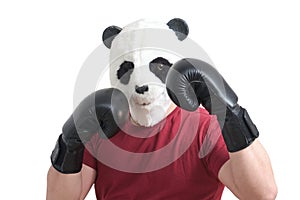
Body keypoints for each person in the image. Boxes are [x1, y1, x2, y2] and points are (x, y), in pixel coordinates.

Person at [46, 58, 277, 200]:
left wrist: (229, 112)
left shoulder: (202, 127)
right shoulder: (102, 128)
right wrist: (70, 140)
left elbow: (262, 194)